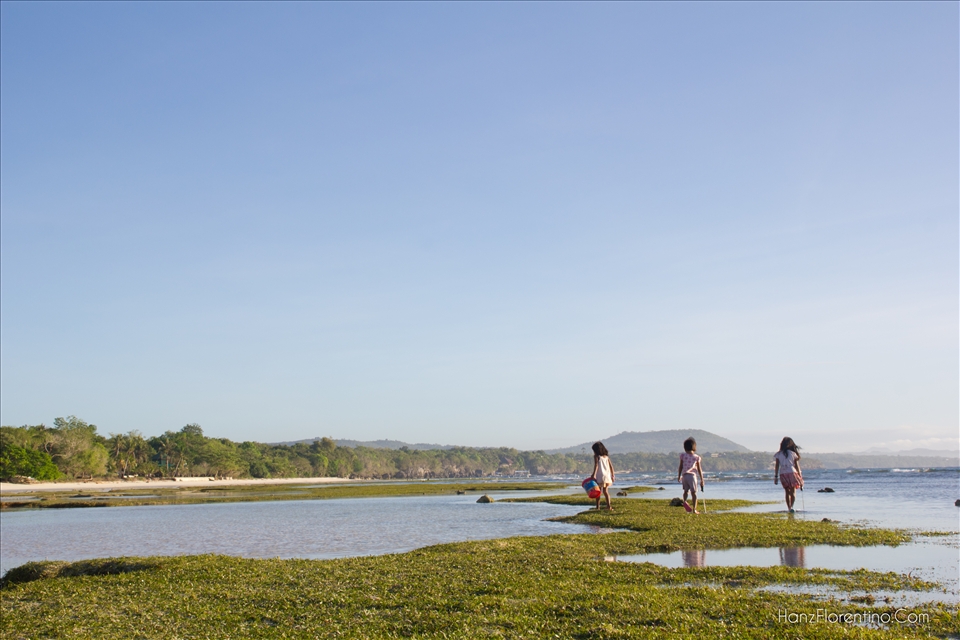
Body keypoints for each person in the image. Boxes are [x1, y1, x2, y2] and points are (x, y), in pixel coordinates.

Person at [774, 437, 803, 512]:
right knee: (793, 491)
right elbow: (797, 466)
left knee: (787, 491)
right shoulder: (793, 453)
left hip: (783, 473)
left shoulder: (778, 454)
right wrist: (800, 476)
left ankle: (789, 507)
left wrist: (776, 476)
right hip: (792, 472)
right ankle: (792, 507)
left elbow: (777, 466)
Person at [677, 437, 705, 514]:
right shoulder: (696, 457)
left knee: (686, 491)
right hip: (692, 476)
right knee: (694, 493)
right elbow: (699, 469)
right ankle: (694, 509)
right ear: (694, 447)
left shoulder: (683, 456)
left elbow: (680, 466)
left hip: (684, 476)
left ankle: (685, 501)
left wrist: (679, 476)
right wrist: (702, 479)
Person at [591, 441, 615, 510]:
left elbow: (596, 466)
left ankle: (598, 507)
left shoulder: (597, 457)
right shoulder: (606, 457)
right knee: (606, 491)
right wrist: (613, 475)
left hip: (600, 476)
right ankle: (608, 506)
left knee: (597, 491)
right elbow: (611, 467)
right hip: (607, 476)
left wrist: (594, 474)